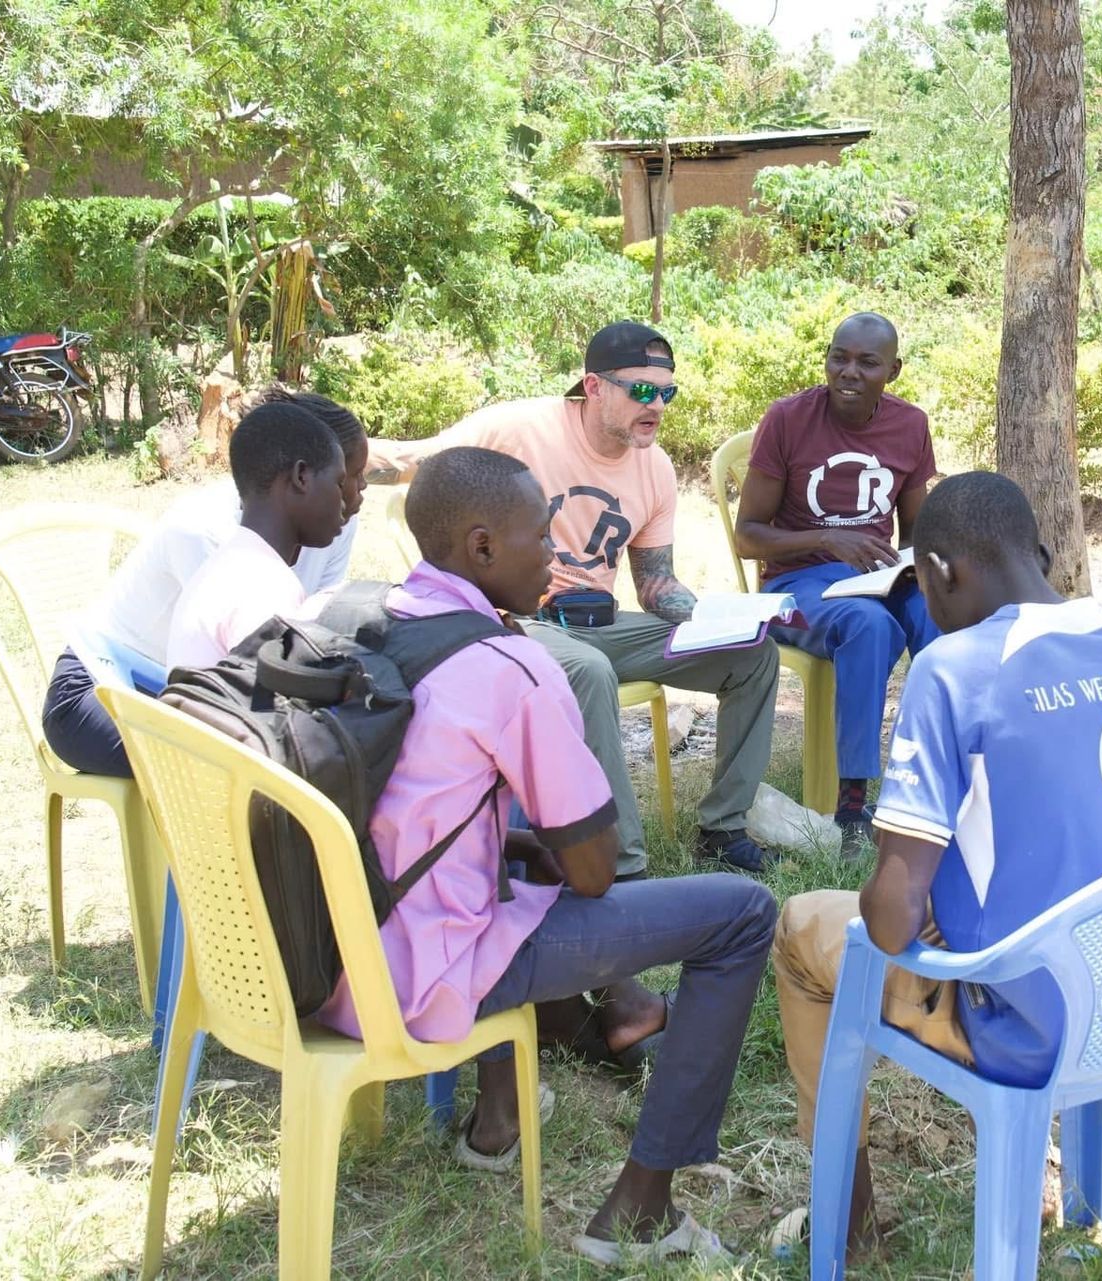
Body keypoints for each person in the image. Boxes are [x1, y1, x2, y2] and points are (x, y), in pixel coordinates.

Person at [314, 446, 777, 1265]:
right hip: (423, 980)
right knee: (741, 914)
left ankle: (500, 1120)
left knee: (510, 851)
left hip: (323, 958)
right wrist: (558, 841)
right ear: (483, 546)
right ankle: (640, 1211)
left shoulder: (344, 613)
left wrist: (523, 841)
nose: (559, 558)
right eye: (543, 538)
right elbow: (595, 873)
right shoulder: (514, 666)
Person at [769, 471, 1102, 1261]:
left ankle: (847, 1224)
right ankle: (1088, 1200)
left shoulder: (953, 669)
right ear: (1040, 552)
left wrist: (910, 860)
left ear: (941, 571)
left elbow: (891, 920)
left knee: (803, 929)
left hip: (1022, 1023)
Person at [366, 323, 781, 875]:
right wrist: (329, 455)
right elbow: (417, 461)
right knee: (587, 670)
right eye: (641, 390)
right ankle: (624, 865)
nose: (656, 404)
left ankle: (724, 829)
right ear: (594, 386)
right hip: (513, 618)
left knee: (752, 656)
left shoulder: (653, 466)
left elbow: (655, 582)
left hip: (598, 620)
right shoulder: (520, 429)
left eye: (666, 392)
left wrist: (721, 620)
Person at [42, 388, 370, 777]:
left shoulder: (328, 522)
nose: (359, 490)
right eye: (346, 477)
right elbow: (250, 672)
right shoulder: (216, 537)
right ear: (301, 473)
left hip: (194, 696)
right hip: (104, 687)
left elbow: (311, 632)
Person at [734, 313, 940, 856]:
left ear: (892, 371)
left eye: (867, 362)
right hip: (798, 582)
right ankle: (853, 808)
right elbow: (747, 537)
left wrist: (917, 570)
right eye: (838, 357)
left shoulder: (910, 425)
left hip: (875, 575)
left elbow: (915, 534)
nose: (848, 372)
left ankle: (944, 778)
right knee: (867, 625)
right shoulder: (787, 419)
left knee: (942, 615)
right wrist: (826, 537)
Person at [164, 400, 348, 670]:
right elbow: (274, 705)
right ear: (301, 477)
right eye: (339, 483)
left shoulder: (231, 562)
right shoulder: (266, 587)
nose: (344, 502)